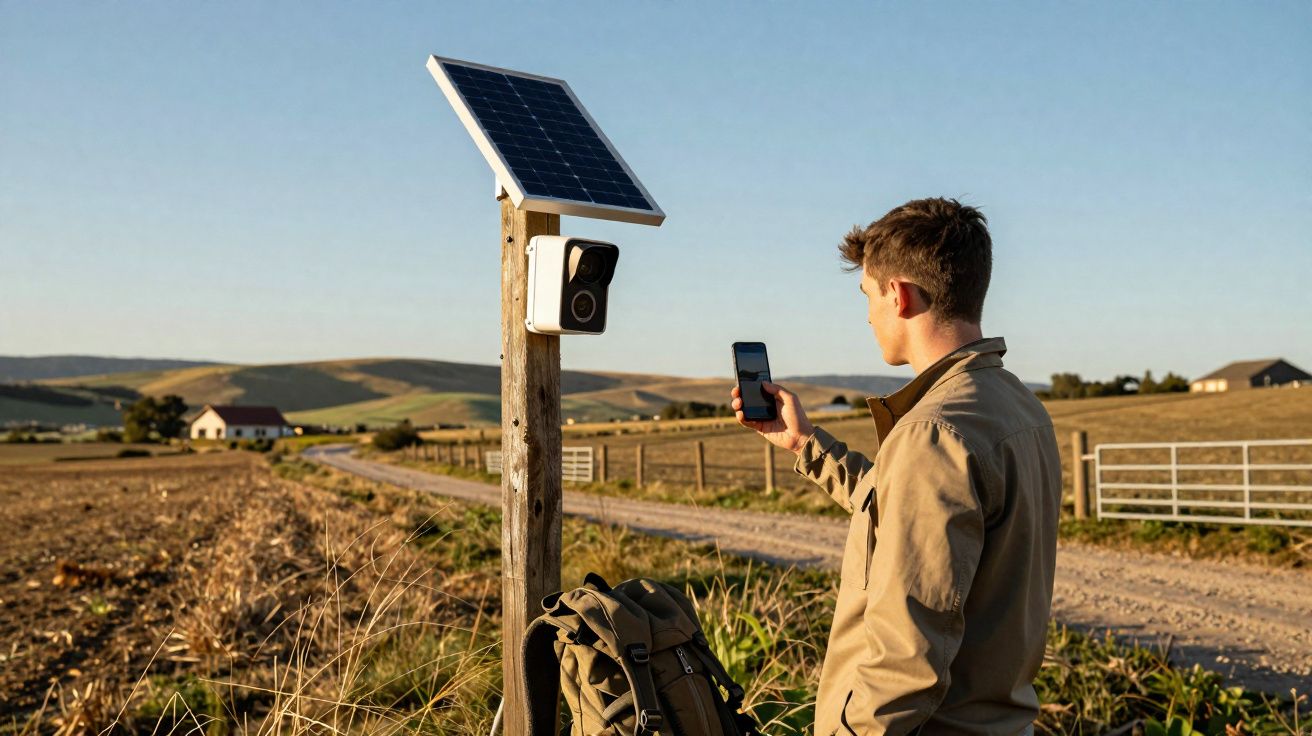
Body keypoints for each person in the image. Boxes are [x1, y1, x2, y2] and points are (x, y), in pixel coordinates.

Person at [730, 198, 1060, 735]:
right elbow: (905, 510)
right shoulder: (1018, 406)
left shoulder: (932, 432)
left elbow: (906, 659)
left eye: (867, 295)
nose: (865, 316)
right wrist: (806, 445)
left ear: (898, 294)